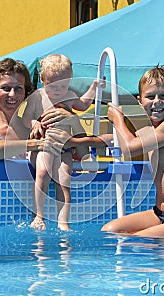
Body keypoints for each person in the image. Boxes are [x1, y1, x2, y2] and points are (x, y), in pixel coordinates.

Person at [101, 66, 164, 237]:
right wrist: (74, 142)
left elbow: (129, 147)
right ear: (140, 101)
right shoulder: (149, 132)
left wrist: (118, 119)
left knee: (136, 240)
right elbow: (120, 139)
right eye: (150, 96)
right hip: (159, 214)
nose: (157, 101)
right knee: (111, 231)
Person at [22, 54, 102, 231]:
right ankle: (38, 215)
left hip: (64, 148)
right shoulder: (37, 97)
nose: (59, 90)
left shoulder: (70, 95)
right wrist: (35, 123)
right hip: (43, 145)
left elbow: (82, 105)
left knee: (64, 180)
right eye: (53, 85)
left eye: (64, 85)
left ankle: (63, 220)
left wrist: (94, 88)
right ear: (43, 80)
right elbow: (26, 118)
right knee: (42, 173)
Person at [0, 57, 76, 160]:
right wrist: (37, 144)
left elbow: (81, 153)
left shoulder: (38, 128)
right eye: (6, 88)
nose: (12, 94)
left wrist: (74, 120)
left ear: (25, 93)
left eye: (18, 88)